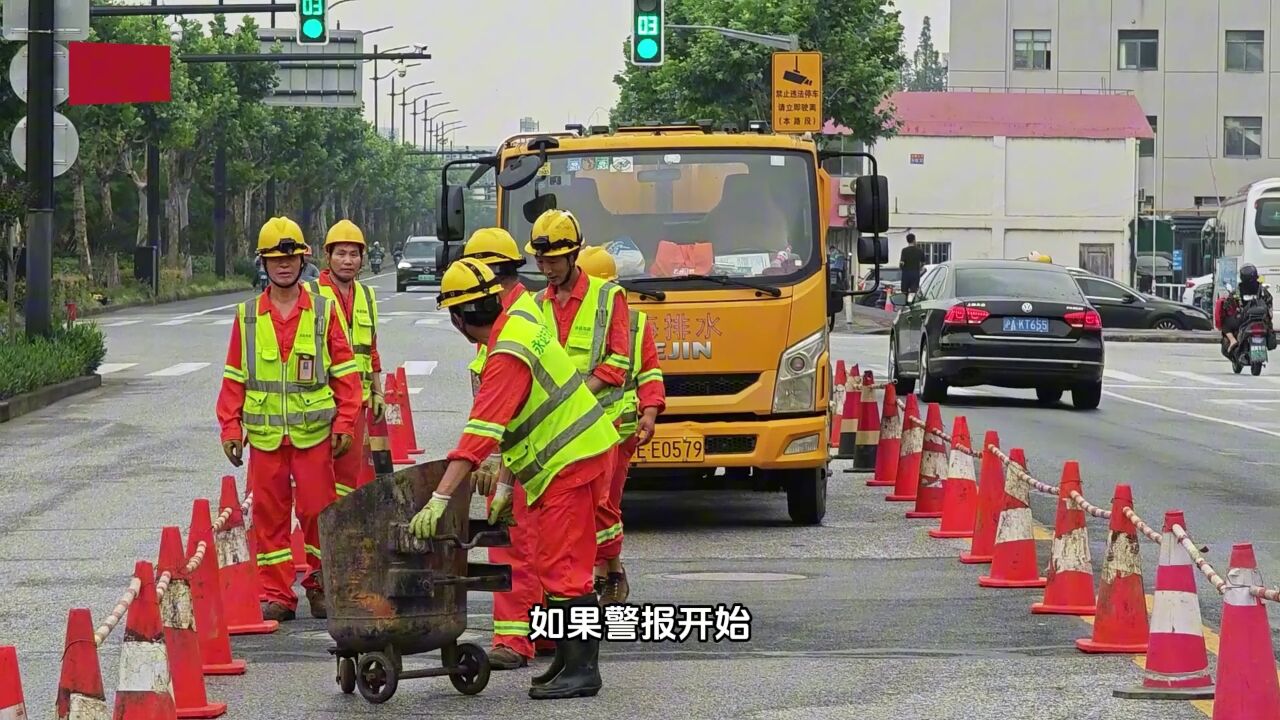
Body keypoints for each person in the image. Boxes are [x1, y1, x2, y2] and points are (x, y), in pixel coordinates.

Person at [409, 257, 619, 700]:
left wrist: (439, 500)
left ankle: (582, 671)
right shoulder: (522, 313)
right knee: (560, 564)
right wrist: (506, 484)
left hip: (571, 461)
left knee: (563, 570)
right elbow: (516, 424)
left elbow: (479, 437)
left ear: (459, 319)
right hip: (578, 455)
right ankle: (567, 661)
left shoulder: (504, 355)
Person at [216, 216, 363, 622]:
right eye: (275, 259)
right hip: (265, 440)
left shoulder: (322, 311)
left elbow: (346, 374)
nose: (284, 265)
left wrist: (346, 424)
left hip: (313, 436)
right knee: (268, 518)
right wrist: (231, 427)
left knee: (319, 512)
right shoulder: (247, 316)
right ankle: (276, 593)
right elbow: (234, 377)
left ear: (303, 261)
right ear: (263, 263)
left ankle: (320, 585)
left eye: (291, 258)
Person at [525, 210, 631, 598]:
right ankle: (577, 588)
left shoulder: (608, 297)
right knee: (562, 518)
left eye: (553, 260)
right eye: (540, 260)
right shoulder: (536, 304)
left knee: (599, 507)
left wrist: (577, 394)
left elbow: (619, 360)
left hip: (599, 428)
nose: (546, 268)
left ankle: (609, 571)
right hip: (555, 433)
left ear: (574, 256)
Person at [459, 227, 548, 671]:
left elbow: (503, 410)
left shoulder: (514, 320)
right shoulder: (512, 313)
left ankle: (514, 641)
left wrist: (498, 467)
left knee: (513, 543)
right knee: (540, 547)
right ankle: (546, 634)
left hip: (529, 454)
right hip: (536, 452)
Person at [576, 245, 665, 604]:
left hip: (617, 428)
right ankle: (604, 571)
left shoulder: (634, 322)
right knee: (585, 506)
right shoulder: (557, 311)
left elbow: (649, 371)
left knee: (603, 504)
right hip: (572, 428)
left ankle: (608, 570)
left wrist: (650, 410)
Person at [303, 219, 386, 503]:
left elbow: (371, 348)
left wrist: (377, 391)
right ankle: (316, 535)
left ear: (363, 259)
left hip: (356, 404)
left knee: (347, 479)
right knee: (317, 476)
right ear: (327, 257)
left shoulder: (368, 295)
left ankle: (338, 535)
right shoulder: (310, 294)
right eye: (340, 253)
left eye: (353, 254)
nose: (347, 261)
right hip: (320, 403)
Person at [1221, 263, 1274, 353]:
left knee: (1225, 324)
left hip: (1244, 319)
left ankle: (1233, 340)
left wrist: (1226, 305)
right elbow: (1269, 302)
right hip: (1262, 319)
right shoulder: (1261, 289)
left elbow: (1228, 303)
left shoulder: (1238, 290)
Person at [899, 232, 925, 297]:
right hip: (915, 274)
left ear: (907, 240)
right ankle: (911, 303)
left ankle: (904, 303)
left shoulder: (904, 250)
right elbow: (923, 262)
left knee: (904, 292)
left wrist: (903, 268)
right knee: (913, 292)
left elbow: (901, 263)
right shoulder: (920, 250)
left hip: (906, 274)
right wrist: (919, 267)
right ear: (914, 240)